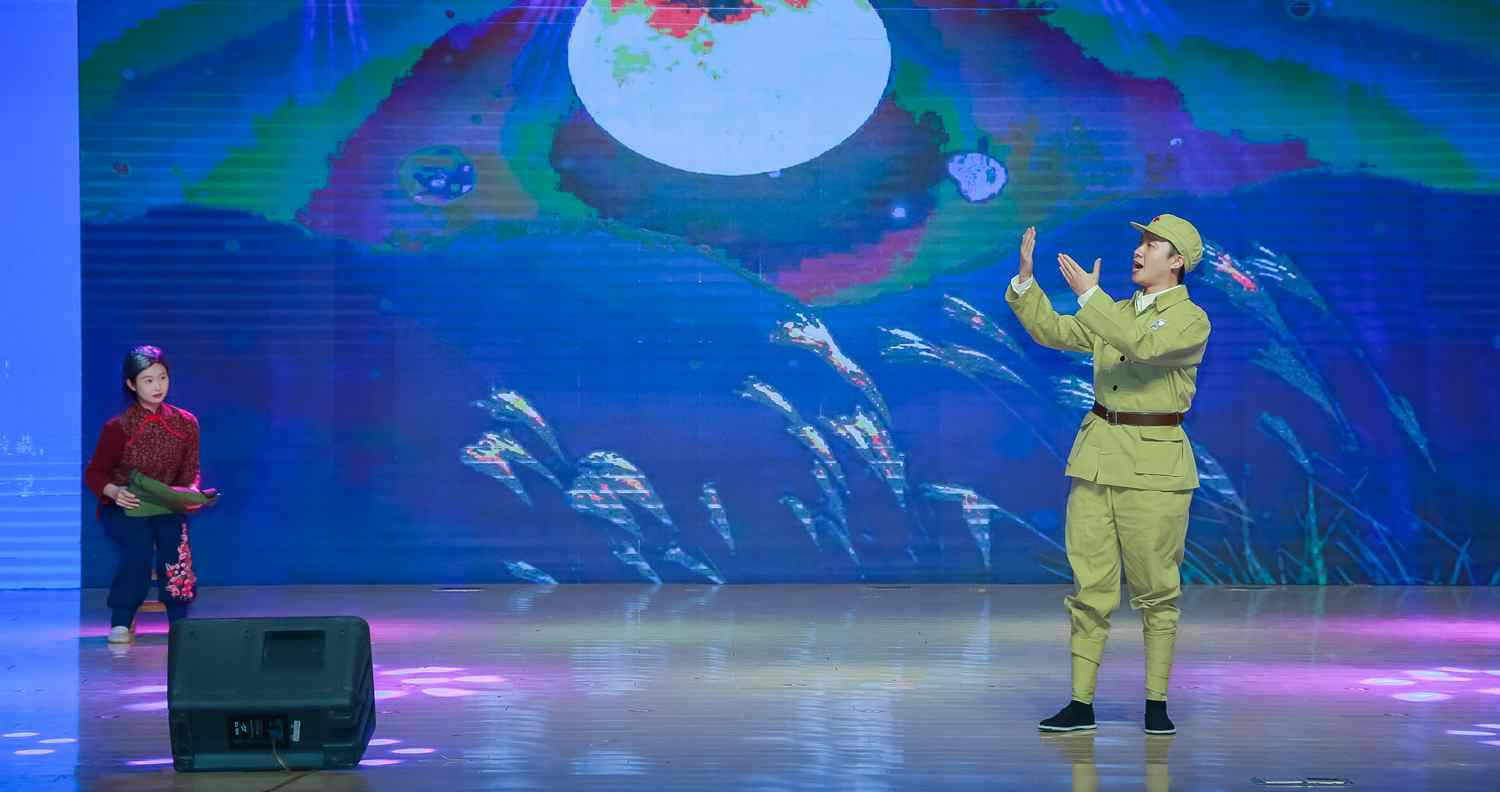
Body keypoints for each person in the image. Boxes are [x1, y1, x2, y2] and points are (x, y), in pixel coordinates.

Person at [1004, 215, 1211, 735]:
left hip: (1155, 466)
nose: (1139, 250)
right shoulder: (1113, 311)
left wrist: (1091, 297)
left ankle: (1156, 704)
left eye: (1153, 244)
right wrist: (1027, 281)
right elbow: (1054, 331)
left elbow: (1143, 345)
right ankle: (1081, 703)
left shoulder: (1191, 320)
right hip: (1097, 458)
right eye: (1140, 241)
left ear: (1177, 261)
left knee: (1156, 589)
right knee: (1090, 586)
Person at [83, 345, 211, 644]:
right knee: (138, 545)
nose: (157, 386)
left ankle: (179, 620)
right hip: (126, 505)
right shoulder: (118, 427)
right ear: (132, 384)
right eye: (148, 380)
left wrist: (191, 493)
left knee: (174, 542)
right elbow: (95, 473)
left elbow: (190, 471)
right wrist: (114, 492)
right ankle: (121, 618)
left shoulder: (186, 423)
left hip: (166, 504)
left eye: (162, 378)